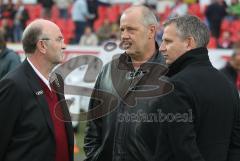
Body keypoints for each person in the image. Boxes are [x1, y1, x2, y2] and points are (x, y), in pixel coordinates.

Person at [84, 5, 171, 161]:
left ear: (151, 31)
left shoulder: (171, 72)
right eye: (122, 29)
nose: (124, 35)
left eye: (131, 29)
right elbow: (93, 126)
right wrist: (94, 157)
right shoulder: (108, 70)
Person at [158, 15, 240, 161]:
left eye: (168, 41)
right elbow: (235, 147)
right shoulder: (229, 85)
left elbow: (183, 149)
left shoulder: (176, 86)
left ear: (189, 43)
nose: (161, 48)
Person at [0, 19, 74, 161]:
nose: (64, 46)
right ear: (42, 45)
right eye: (59, 40)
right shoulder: (13, 85)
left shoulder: (57, 81)